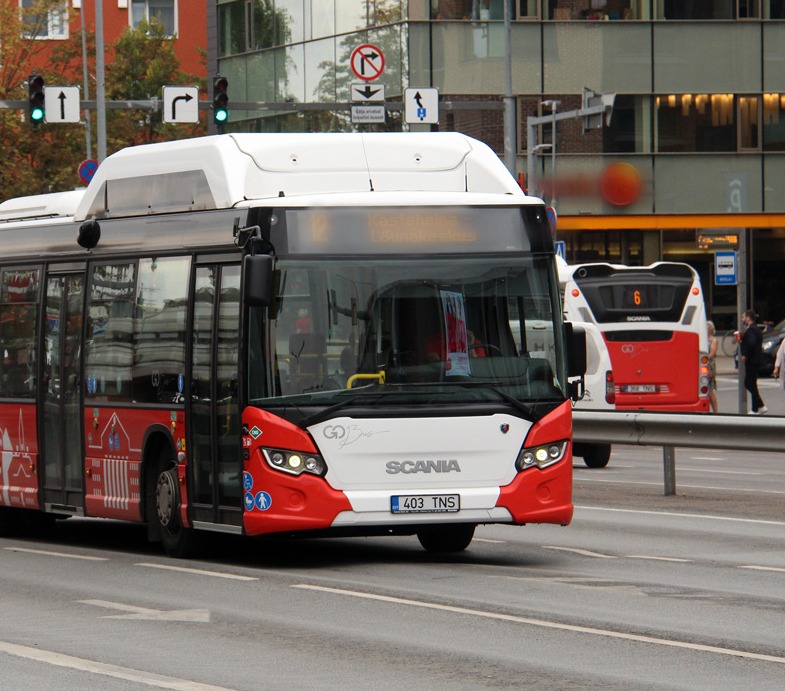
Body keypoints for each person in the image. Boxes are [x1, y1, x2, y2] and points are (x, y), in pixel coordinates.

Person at [739, 309, 767, 414]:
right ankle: (757, 408)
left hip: (752, 360)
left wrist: (745, 354)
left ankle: (760, 405)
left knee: (748, 383)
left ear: (748, 318)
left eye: (743, 317)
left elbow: (751, 342)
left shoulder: (751, 330)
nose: (742, 319)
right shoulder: (756, 329)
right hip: (756, 359)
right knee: (752, 384)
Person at [706, 321, 718, 413]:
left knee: (709, 390)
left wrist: (703, 359)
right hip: (703, 364)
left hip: (709, 365)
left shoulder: (713, 340)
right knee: (706, 390)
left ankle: (715, 411)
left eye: (707, 327)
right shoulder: (702, 339)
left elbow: (712, 353)